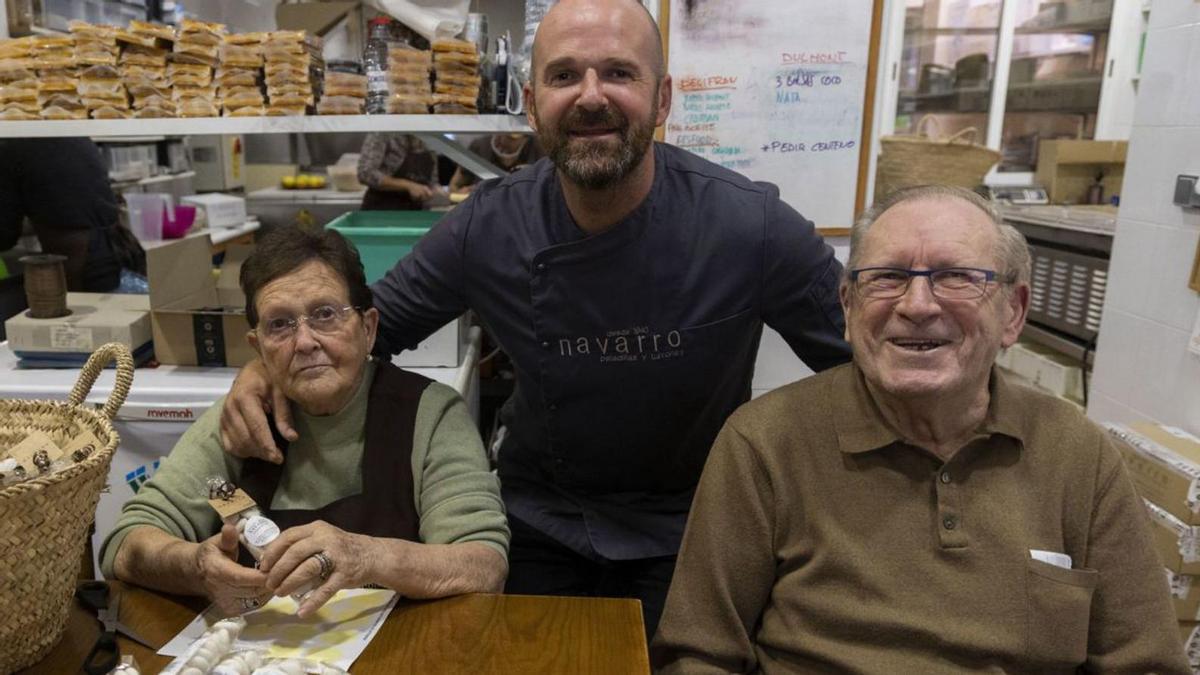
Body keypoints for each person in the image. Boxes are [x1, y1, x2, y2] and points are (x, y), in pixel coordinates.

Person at [221, 0, 849, 637]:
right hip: (536, 527)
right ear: (530, 101)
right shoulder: (489, 226)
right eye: (564, 75)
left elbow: (867, 363)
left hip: (693, 531)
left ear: (662, 100)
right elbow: (364, 331)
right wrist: (265, 371)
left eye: (619, 73)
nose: (591, 96)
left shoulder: (751, 226)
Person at [652, 185, 1189, 673]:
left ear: (1013, 313)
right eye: (887, 277)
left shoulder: (1077, 452)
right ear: (847, 306)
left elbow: (1143, 663)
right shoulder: (765, 442)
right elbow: (700, 654)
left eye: (956, 276)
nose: (916, 305)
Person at [100, 225, 508, 618]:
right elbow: (124, 544)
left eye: (325, 314)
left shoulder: (428, 416)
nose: (305, 341)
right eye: (280, 324)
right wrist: (195, 567)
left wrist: (368, 556)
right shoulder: (243, 423)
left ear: (368, 329)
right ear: (259, 347)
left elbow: (482, 564)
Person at [0, 137, 145, 292]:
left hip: (81, 261)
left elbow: (4, 235)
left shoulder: (8, 147)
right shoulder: (71, 132)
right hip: (120, 247)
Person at [356, 133, 441, 211]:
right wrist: (408, 185)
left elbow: (432, 180)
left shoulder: (430, 137)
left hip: (417, 214)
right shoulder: (383, 133)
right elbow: (365, 173)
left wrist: (436, 190)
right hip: (381, 212)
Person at [448, 134, 543, 193]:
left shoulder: (539, 148)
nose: (503, 141)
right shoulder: (480, 146)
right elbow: (453, 187)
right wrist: (464, 193)